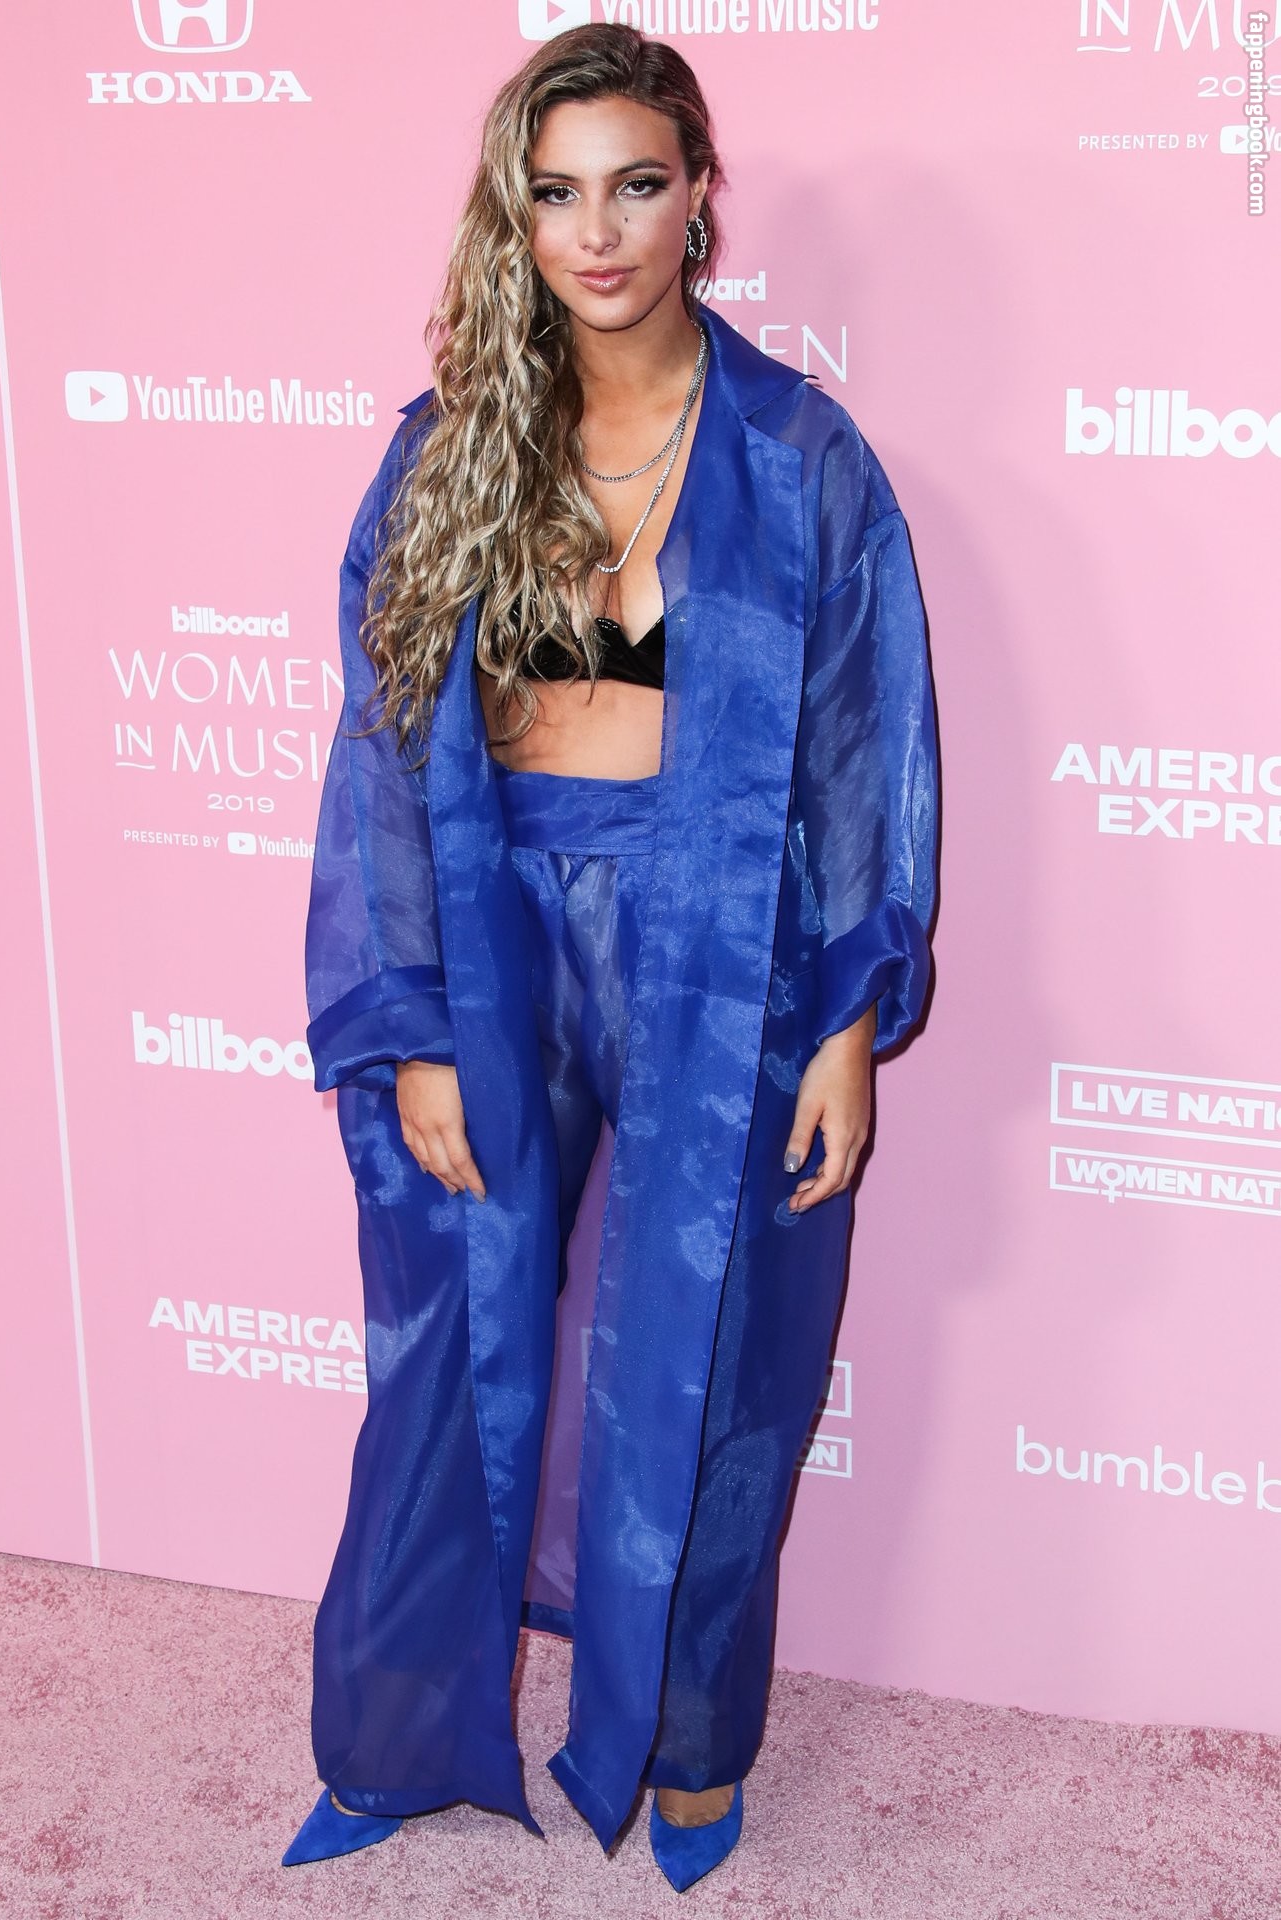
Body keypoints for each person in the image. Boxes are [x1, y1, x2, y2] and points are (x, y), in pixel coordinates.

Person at [283, 21, 937, 1896]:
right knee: (448, 1343)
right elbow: (382, 750)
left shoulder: (800, 457)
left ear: (699, 198)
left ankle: (693, 1742)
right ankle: (403, 1733)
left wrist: (849, 1018)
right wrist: (412, 1016)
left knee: (716, 1351)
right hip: (495, 928)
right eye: (558, 193)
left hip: (720, 944)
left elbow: (863, 748)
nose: (598, 232)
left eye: (637, 185)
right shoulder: (448, 452)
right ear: (518, 214)